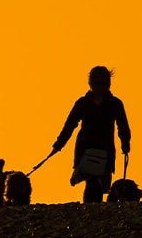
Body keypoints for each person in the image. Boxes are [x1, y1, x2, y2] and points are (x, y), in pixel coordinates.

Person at [52, 66, 131, 203]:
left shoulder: (115, 104)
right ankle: (90, 209)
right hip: (85, 149)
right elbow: (69, 125)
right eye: (97, 83)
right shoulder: (82, 103)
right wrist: (59, 144)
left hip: (105, 149)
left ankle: (93, 210)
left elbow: (123, 126)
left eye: (103, 83)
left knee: (99, 182)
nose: (101, 87)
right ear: (91, 84)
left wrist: (125, 143)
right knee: (91, 180)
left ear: (108, 84)